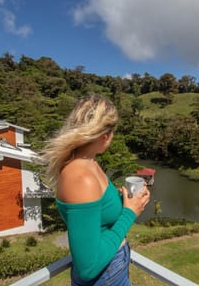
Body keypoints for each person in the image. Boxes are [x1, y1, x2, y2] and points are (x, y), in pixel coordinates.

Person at [42, 94, 150, 286]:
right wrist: (130, 213)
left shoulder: (89, 162)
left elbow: (96, 210)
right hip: (104, 277)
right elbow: (88, 268)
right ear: (104, 136)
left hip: (114, 269)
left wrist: (118, 199)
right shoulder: (81, 178)